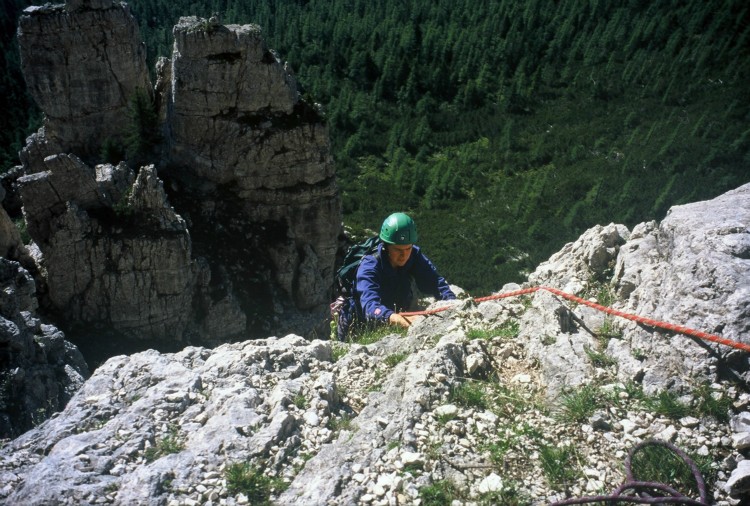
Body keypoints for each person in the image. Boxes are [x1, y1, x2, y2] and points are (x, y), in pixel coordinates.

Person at [355, 212, 456, 329]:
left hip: (398, 314)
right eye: (398, 250)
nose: (404, 255)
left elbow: (435, 282)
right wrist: (400, 320)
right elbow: (370, 306)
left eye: (408, 248)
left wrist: (453, 303)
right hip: (360, 325)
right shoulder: (370, 265)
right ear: (386, 246)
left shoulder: (414, 255)